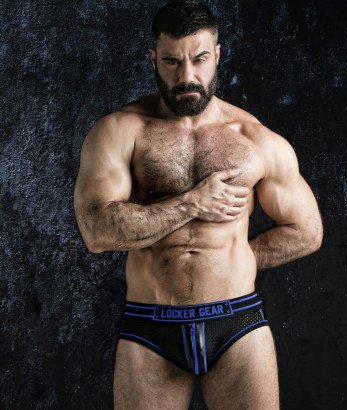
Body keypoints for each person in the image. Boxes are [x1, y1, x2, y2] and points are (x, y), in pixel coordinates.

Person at [73, 1, 323, 408]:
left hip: (237, 323)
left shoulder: (254, 138)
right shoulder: (120, 131)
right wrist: (191, 204)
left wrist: (234, 258)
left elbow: (307, 231)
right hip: (150, 329)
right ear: (153, 58)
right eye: (172, 61)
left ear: (218, 55)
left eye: (199, 59)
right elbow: (96, 231)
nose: (186, 76)